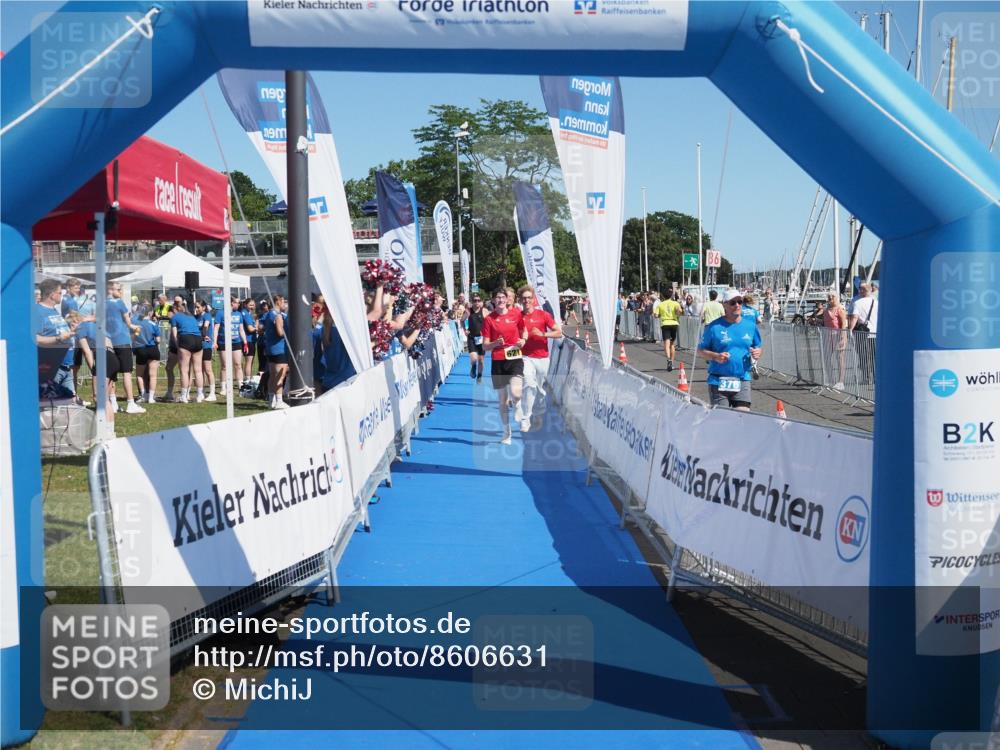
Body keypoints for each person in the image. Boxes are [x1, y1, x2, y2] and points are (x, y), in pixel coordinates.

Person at [696, 290, 763, 411]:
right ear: (724, 305)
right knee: (723, 421)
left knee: (742, 416)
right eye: (733, 302)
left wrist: (758, 352)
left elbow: (758, 346)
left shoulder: (750, 326)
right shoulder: (713, 327)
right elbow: (700, 350)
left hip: (742, 379)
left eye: (739, 302)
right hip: (718, 381)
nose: (737, 305)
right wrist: (716, 356)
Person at [481, 288, 527, 445]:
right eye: (497, 297)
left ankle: (519, 404)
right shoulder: (489, 319)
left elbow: (524, 331)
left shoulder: (516, 314)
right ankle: (507, 432)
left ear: (508, 300)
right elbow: (485, 346)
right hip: (498, 359)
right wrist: (495, 343)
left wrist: (523, 341)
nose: (500, 300)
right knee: (503, 400)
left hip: (514, 355)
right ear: (493, 300)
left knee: (516, 391)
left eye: (503, 297)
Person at [518, 285, 562, 431]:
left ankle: (538, 413)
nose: (526, 301)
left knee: (539, 390)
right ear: (520, 300)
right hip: (526, 357)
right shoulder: (517, 317)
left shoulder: (543, 315)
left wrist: (543, 334)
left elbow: (558, 332)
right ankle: (526, 418)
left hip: (542, 358)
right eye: (524, 298)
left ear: (533, 299)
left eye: (529, 298)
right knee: (528, 385)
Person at [105, 281, 145, 413]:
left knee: (111, 374)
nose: (121, 292)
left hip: (108, 342)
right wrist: (136, 328)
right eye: (119, 289)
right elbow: (128, 323)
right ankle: (130, 403)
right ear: (111, 290)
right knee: (127, 373)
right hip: (122, 341)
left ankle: (113, 403)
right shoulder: (120, 303)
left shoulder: (102, 304)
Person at [75, 314, 119, 432]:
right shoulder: (95, 325)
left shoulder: (80, 329)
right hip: (113, 356)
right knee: (105, 398)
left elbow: (87, 352)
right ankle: (110, 430)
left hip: (103, 356)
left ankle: (104, 430)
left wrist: (94, 371)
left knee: (98, 396)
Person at [34, 278, 77, 399]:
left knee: (69, 406)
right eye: (60, 293)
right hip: (52, 369)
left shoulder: (53, 310)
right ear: (52, 295)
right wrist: (58, 338)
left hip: (66, 366)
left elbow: (58, 331)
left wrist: (71, 330)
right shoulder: (37, 312)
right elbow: (36, 338)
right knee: (50, 408)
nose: (61, 295)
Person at [170, 299, 205, 403]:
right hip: (198, 339)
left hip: (186, 339)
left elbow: (174, 335)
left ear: (175, 309)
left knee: (184, 370)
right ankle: (200, 395)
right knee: (198, 370)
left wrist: (178, 347)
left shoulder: (174, 317)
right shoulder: (191, 317)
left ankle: (184, 396)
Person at [215, 296, 248, 397]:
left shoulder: (238, 314)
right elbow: (216, 328)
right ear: (230, 303)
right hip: (223, 342)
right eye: (236, 303)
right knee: (225, 366)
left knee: (238, 364)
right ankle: (223, 388)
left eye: (238, 303)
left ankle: (241, 388)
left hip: (236, 342)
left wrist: (245, 342)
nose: (238, 305)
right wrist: (215, 342)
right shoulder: (220, 313)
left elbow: (241, 329)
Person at [261, 295, 290, 409]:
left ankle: (271, 400)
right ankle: (279, 401)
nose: (284, 304)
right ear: (278, 302)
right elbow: (280, 332)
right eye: (283, 301)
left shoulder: (269, 314)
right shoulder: (277, 315)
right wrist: (288, 330)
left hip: (270, 348)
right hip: (279, 348)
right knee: (279, 376)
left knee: (272, 375)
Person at [848, 282, 878, 385]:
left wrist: (850, 330)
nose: (860, 291)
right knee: (874, 356)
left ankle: (866, 377)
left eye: (861, 289)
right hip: (875, 332)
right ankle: (875, 377)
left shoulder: (857, 302)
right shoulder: (876, 301)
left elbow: (854, 317)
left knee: (863, 355)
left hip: (862, 333)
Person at [132, 306, 161, 403]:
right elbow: (158, 340)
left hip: (140, 349)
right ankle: (151, 397)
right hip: (153, 349)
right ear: (150, 312)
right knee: (153, 375)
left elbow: (133, 336)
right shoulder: (153, 323)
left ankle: (143, 395)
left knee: (140, 375)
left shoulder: (135, 323)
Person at [823, 292, 848, 390]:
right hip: (828, 336)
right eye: (829, 296)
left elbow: (843, 324)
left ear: (836, 298)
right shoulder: (826, 310)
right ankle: (830, 380)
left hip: (838, 336)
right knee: (827, 358)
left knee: (840, 358)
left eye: (832, 296)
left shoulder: (840, 309)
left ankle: (841, 381)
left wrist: (843, 336)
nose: (830, 298)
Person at [653, 291, 682, 371]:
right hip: (674, 323)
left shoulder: (660, 305)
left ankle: (668, 359)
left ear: (663, 296)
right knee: (672, 344)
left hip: (665, 323)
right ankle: (672, 362)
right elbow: (679, 311)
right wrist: (677, 313)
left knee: (666, 343)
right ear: (671, 296)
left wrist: (659, 315)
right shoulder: (675, 303)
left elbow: (655, 315)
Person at [162, 294, 184, 402]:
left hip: (184, 345)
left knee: (184, 369)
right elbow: (169, 316)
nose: (174, 305)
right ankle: (169, 392)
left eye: (177, 302)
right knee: (169, 368)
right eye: (174, 302)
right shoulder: (173, 314)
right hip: (174, 345)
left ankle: (185, 393)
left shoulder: (185, 315)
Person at [195, 301, 217, 401]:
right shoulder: (196, 317)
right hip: (198, 346)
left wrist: (204, 335)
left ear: (203, 307)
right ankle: (202, 391)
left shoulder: (207, 315)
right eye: (195, 307)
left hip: (206, 346)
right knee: (200, 370)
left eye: (198, 307)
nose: (196, 309)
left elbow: (205, 326)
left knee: (208, 370)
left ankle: (212, 393)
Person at [464, 294, 486, 382]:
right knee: (474, 358)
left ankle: (480, 375)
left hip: (481, 338)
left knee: (481, 360)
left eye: (478, 300)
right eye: (474, 301)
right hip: (471, 338)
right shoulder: (468, 311)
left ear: (481, 302)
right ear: (472, 302)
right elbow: (462, 321)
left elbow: (490, 323)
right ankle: (473, 367)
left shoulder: (484, 311)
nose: (477, 302)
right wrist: (464, 330)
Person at [241, 298, 258, 377]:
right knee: (249, 361)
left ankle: (248, 378)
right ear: (245, 305)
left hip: (251, 340)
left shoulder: (248, 314)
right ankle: (248, 379)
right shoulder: (246, 314)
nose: (252, 306)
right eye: (250, 305)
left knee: (249, 361)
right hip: (248, 340)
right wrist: (258, 329)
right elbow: (250, 329)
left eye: (253, 305)